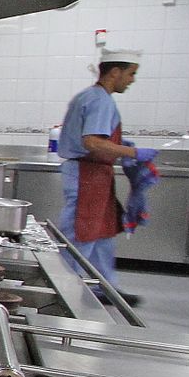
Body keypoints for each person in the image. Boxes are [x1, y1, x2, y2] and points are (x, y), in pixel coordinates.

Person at [56, 47, 159, 295]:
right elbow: (92, 142)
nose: (132, 80)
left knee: (102, 233)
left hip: (93, 174)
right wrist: (132, 152)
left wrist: (120, 147)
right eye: (131, 73)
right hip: (87, 175)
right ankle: (62, 288)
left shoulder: (90, 96)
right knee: (82, 232)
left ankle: (107, 288)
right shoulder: (100, 100)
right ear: (115, 72)